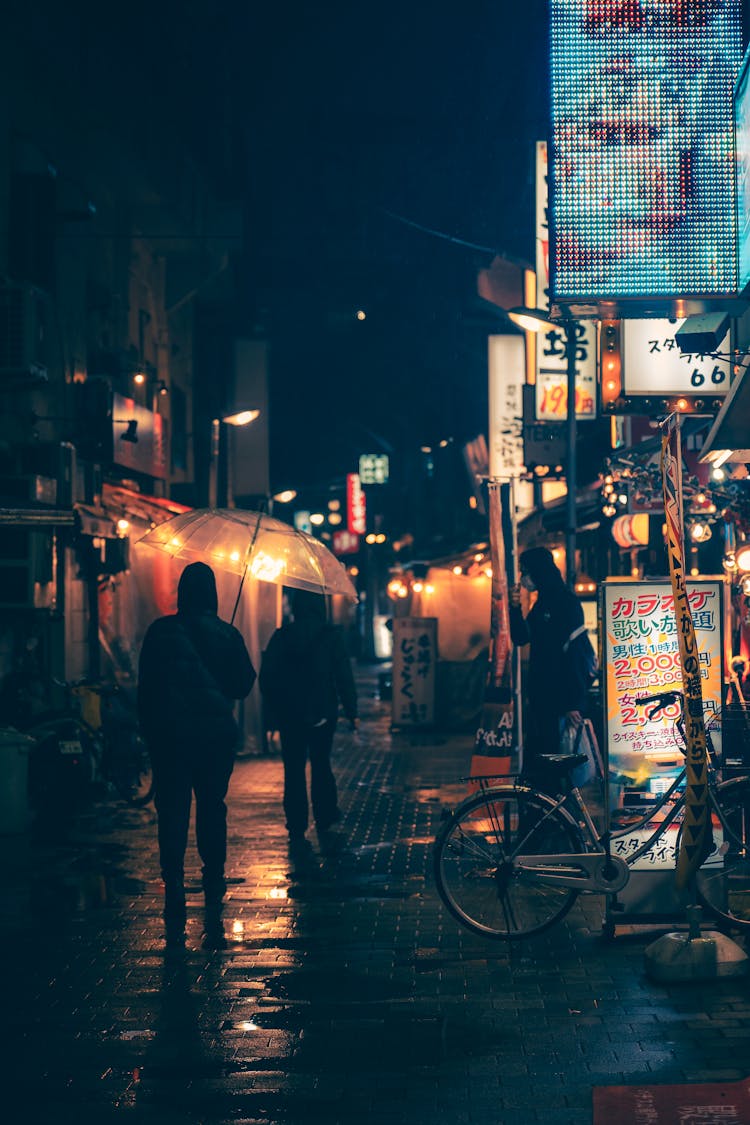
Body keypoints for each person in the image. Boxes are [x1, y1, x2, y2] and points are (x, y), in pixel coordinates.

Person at [137, 561, 256, 946]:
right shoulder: (227, 634)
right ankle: (213, 880)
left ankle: (173, 884)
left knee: (171, 811)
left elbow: (146, 691)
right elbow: (242, 686)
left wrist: (149, 734)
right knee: (211, 806)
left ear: (183, 593)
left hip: (169, 738)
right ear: (214, 594)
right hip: (214, 739)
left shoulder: (160, 632)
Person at [259, 588, 358, 850]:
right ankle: (324, 815)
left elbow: (268, 677)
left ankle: (296, 824)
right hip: (323, 711)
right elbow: (343, 675)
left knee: (293, 769)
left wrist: (272, 712)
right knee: (321, 762)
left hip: (289, 713)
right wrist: (352, 710)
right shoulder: (330, 636)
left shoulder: (282, 636)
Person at [509, 547, 590, 787]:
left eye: (526, 572)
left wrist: (572, 702)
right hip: (542, 698)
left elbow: (573, 654)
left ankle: (555, 818)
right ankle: (543, 817)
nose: (524, 578)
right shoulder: (542, 602)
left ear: (538, 571)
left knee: (552, 764)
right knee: (541, 763)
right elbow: (522, 637)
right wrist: (514, 608)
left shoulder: (565, 602)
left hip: (558, 701)